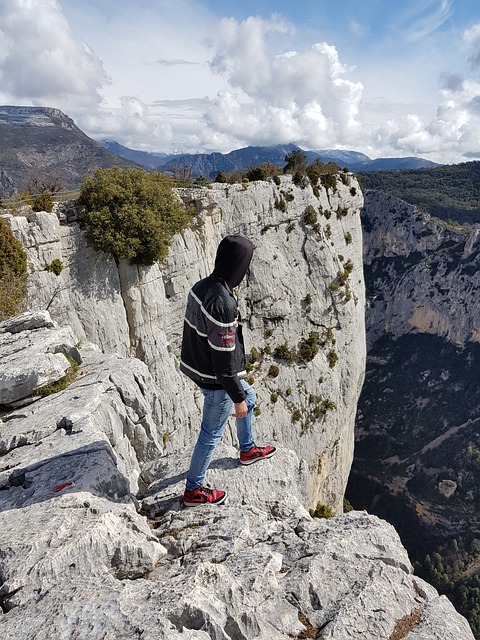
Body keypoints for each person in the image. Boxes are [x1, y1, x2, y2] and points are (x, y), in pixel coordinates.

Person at [179, 235, 276, 506]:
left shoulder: (201, 287)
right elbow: (224, 365)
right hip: (217, 380)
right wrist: (236, 398)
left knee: (252, 397)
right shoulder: (223, 305)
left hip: (201, 367)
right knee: (210, 434)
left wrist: (242, 397)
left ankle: (247, 449)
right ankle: (194, 490)